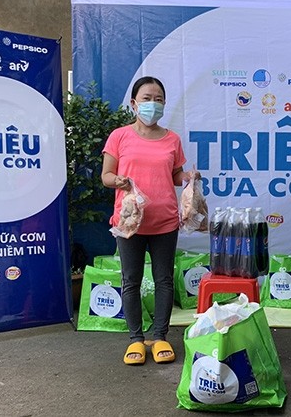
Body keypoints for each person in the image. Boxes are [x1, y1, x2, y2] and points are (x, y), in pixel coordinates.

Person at [101, 76, 189, 366]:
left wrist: (187, 178)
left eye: (159, 99)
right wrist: (118, 180)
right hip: (129, 222)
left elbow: (175, 175)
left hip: (165, 221)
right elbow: (106, 177)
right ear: (134, 103)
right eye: (148, 98)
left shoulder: (172, 139)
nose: (154, 104)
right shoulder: (119, 136)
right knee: (131, 281)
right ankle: (136, 340)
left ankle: (160, 336)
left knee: (164, 280)